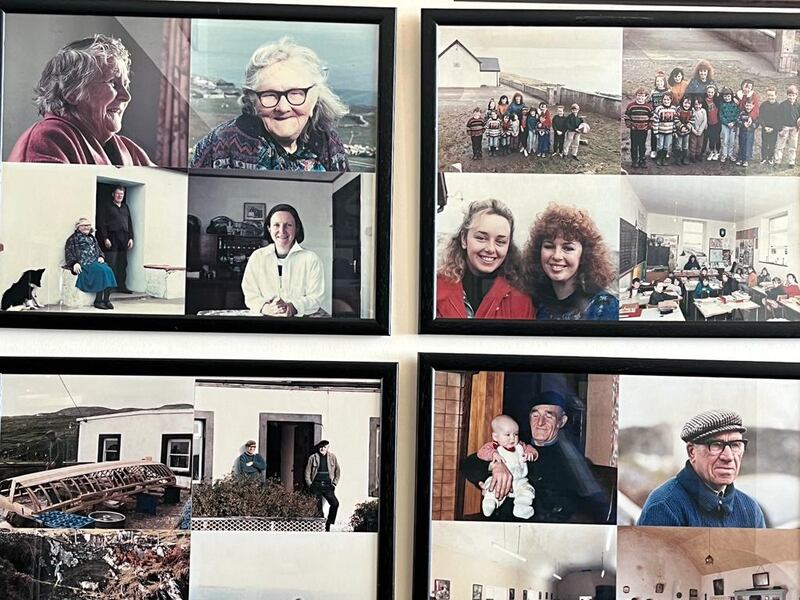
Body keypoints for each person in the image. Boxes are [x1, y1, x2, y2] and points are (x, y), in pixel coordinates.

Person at [191, 38, 349, 171]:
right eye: (270, 95)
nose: (283, 107)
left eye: (295, 93)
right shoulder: (221, 143)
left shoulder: (329, 142)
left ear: (314, 98)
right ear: (253, 101)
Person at [461, 391, 611, 523]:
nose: (540, 422)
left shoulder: (572, 459)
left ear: (562, 421)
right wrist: (495, 466)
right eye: (535, 415)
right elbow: (468, 464)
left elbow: (583, 508)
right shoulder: (515, 444)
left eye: (549, 416)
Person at [7, 35, 153, 166]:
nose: (126, 96)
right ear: (72, 92)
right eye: (113, 83)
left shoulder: (130, 151)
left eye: (126, 84)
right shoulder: (47, 140)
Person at [637, 410, 765, 527]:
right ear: (692, 452)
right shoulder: (664, 506)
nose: (728, 456)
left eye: (735, 445)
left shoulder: (750, 510)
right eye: (716, 445)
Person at [436, 199, 533, 319]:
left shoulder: (521, 301)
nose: (490, 249)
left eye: (500, 241)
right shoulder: (436, 290)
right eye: (481, 238)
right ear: (464, 239)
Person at [522, 204, 618, 320]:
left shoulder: (605, 307)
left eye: (568, 248)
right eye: (549, 246)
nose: (557, 256)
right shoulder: (534, 303)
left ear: (584, 254)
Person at [242, 204, 325, 317]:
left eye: (288, 225)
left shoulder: (311, 259)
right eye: (276, 225)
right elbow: (250, 294)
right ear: (269, 229)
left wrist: (292, 307)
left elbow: (316, 297)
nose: (282, 231)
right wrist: (266, 308)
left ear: (297, 228)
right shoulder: (257, 257)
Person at [477, 415, 538, 519]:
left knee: (527, 490)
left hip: (519, 480)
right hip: (500, 481)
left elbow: (532, 449)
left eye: (516, 434)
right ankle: (490, 503)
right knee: (492, 486)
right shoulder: (494, 447)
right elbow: (480, 453)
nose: (513, 438)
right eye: (508, 434)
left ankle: (522, 507)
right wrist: (493, 454)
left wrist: (530, 453)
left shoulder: (520, 446)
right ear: (496, 437)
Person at [64, 218, 117, 310]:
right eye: (83, 225)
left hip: (95, 261)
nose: (86, 227)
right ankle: (98, 300)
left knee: (108, 270)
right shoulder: (73, 239)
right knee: (101, 271)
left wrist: (101, 256)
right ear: (78, 227)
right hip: (84, 263)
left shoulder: (92, 237)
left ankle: (106, 300)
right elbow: (68, 253)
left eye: (88, 225)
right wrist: (74, 263)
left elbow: (99, 250)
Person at [95, 186, 134, 294]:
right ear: (113, 194)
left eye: (121, 194)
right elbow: (102, 223)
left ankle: (122, 286)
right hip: (112, 237)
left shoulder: (125, 207)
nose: (119, 196)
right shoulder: (107, 206)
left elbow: (130, 223)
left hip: (124, 238)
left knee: (123, 263)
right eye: (117, 193)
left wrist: (131, 237)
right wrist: (105, 238)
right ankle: (109, 288)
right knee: (111, 263)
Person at [304, 440, 341, 531]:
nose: (322, 449)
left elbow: (338, 471)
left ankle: (329, 523)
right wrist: (310, 484)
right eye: (321, 447)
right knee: (318, 506)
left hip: (328, 485)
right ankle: (320, 526)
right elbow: (307, 473)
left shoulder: (332, 457)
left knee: (335, 503)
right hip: (316, 485)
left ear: (328, 448)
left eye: (324, 447)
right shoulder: (313, 457)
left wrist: (334, 483)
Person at [624, 87, 653, 169]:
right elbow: (627, 116)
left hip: (643, 130)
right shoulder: (631, 106)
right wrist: (630, 125)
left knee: (642, 146)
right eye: (639, 96)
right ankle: (634, 161)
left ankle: (642, 160)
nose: (640, 98)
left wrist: (648, 126)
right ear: (636, 96)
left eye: (642, 96)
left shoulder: (648, 107)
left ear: (646, 97)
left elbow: (652, 117)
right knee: (634, 145)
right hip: (634, 130)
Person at [774, 84, 800, 169]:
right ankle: (777, 161)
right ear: (787, 95)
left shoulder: (798, 106)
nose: (791, 97)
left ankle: (791, 162)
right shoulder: (782, 105)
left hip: (794, 128)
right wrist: (780, 129)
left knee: (793, 146)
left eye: (793, 95)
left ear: (796, 95)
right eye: (789, 95)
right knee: (780, 146)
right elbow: (778, 118)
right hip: (784, 128)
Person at [651, 92, 677, 166]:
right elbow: (655, 121)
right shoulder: (658, 109)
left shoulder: (673, 109)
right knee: (660, 145)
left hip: (669, 131)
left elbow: (675, 121)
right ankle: (659, 158)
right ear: (662, 100)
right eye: (664, 99)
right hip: (660, 131)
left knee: (666, 146)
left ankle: (664, 158)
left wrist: (674, 131)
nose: (666, 101)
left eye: (668, 99)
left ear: (671, 100)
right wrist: (655, 132)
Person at [649, 71, 669, 159]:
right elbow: (649, 102)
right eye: (657, 81)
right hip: (656, 115)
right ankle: (653, 150)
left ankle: (665, 151)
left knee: (665, 133)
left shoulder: (668, 91)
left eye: (661, 81)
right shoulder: (653, 91)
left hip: (666, 115)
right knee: (654, 133)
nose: (659, 83)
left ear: (664, 82)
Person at [759, 87, 781, 166]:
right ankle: (764, 158)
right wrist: (764, 127)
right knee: (764, 143)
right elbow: (760, 117)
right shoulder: (763, 105)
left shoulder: (778, 106)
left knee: (772, 144)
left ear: (776, 96)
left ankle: (770, 158)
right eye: (768, 95)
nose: (770, 97)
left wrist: (773, 128)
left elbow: (779, 119)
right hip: (765, 128)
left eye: (772, 95)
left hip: (773, 129)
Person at [718, 87, 740, 164]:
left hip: (733, 125)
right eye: (725, 96)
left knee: (732, 140)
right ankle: (724, 155)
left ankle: (730, 155)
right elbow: (721, 115)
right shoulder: (721, 104)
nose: (727, 98)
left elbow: (737, 114)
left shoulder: (734, 104)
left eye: (728, 96)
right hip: (725, 125)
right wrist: (727, 123)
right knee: (725, 140)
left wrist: (733, 122)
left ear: (731, 96)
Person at [736, 100, 757, 167]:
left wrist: (750, 125)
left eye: (750, 105)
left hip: (750, 132)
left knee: (748, 145)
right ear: (745, 105)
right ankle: (740, 158)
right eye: (747, 105)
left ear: (753, 106)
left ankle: (746, 160)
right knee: (741, 144)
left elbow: (756, 124)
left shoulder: (754, 114)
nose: (748, 107)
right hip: (742, 132)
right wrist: (743, 124)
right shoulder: (742, 113)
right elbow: (737, 121)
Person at [688, 96, 708, 163]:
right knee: (693, 144)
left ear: (701, 104)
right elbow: (689, 122)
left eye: (699, 104)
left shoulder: (703, 111)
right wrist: (693, 130)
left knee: (700, 144)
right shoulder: (692, 111)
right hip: (693, 131)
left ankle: (698, 154)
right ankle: (692, 155)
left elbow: (704, 121)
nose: (698, 106)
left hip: (701, 131)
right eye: (696, 104)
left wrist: (700, 130)